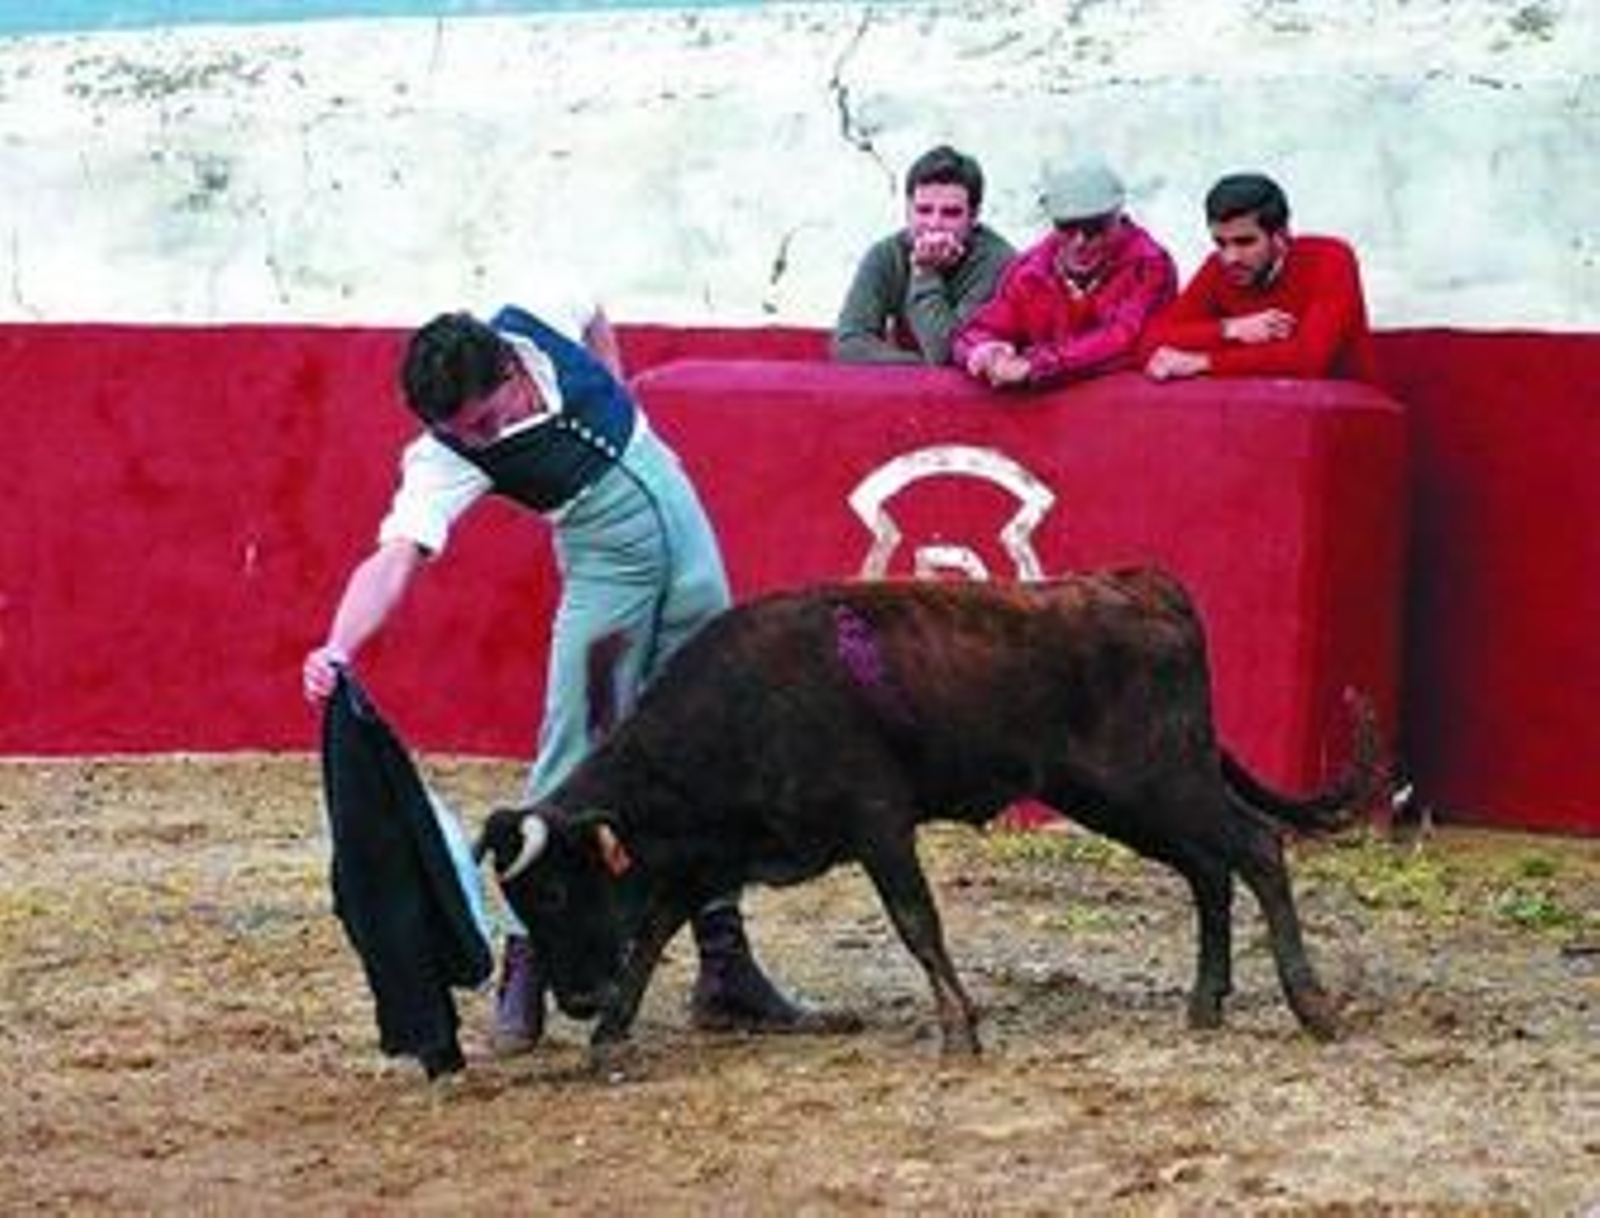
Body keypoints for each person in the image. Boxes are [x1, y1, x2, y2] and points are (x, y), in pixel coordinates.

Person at [302, 301, 842, 1055]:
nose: (476, 441)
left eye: (486, 421)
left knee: (718, 744)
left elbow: (590, 309)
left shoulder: (536, 312)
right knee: (575, 753)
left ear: (513, 371)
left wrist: (618, 388)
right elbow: (396, 556)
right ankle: (525, 966)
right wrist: (338, 645)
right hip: (605, 566)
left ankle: (725, 968)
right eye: (460, 433)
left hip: (687, 534)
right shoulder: (445, 457)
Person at [952, 155, 1176, 389]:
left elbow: (1124, 339)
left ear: (1119, 217)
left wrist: (1036, 365)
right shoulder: (1029, 270)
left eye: (1094, 227)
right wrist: (988, 354)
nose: (1080, 240)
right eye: (1067, 226)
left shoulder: (1150, 265)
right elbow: (974, 333)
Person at [1141, 171, 1378, 382]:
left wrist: (1201, 362)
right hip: (1260, 413)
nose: (1230, 257)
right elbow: (1151, 343)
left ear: (1281, 235)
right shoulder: (1218, 268)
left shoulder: (1330, 258)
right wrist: (1230, 330)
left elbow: (1307, 359)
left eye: (1245, 242)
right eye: (1220, 243)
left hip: (1344, 415)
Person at [831, 144, 1014, 365]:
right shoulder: (886, 254)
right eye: (924, 210)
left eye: (951, 213)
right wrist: (917, 368)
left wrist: (925, 271)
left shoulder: (999, 263)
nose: (934, 224)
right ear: (908, 209)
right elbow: (849, 343)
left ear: (973, 216)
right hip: (909, 388)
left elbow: (946, 353)